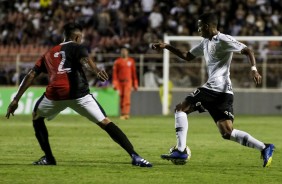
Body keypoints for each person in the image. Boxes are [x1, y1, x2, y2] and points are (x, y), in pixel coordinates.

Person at [6, 22, 152, 167]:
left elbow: (31, 74)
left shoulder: (49, 53)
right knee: (105, 122)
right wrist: (96, 71)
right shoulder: (77, 47)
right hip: (79, 95)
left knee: (36, 117)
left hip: (55, 96)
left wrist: (16, 99)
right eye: (81, 38)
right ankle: (135, 156)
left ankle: (49, 158)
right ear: (76, 37)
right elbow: (85, 61)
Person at [151, 12, 274, 167]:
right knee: (227, 132)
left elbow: (248, 50)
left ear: (208, 26)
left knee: (180, 109)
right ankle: (264, 147)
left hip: (215, 88)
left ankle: (181, 150)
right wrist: (167, 46)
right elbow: (187, 56)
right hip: (223, 93)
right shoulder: (205, 42)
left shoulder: (224, 39)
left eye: (200, 27)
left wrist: (254, 69)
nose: (198, 30)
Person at [112, 46, 138, 120]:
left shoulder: (131, 61)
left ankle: (126, 113)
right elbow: (115, 74)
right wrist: (115, 83)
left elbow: (134, 74)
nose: (124, 52)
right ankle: (122, 113)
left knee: (127, 97)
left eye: (125, 51)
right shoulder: (117, 61)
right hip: (120, 82)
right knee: (121, 97)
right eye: (122, 51)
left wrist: (135, 83)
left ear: (127, 52)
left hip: (128, 82)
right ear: (121, 52)